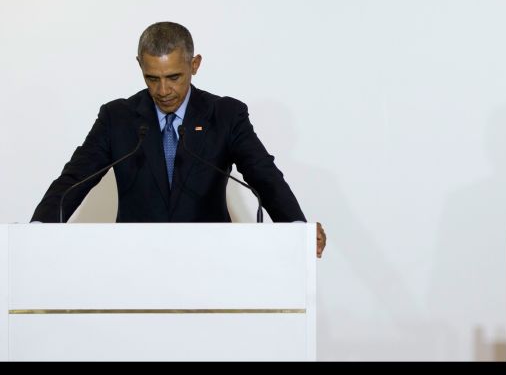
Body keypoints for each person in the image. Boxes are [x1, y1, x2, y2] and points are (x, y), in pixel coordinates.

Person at [31, 22, 327, 257]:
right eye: (152, 78)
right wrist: (37, 230)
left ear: (194, 64)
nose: (163, 90)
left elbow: (263, 174)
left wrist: (297, 229)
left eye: (174, 77)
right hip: (133, 262)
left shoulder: (225, 114)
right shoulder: (116, 117)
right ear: (139, 65)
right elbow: (75, 179)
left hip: (212, 260)